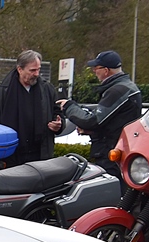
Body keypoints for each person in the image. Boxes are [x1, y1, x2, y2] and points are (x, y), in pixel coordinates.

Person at [56, 50, 142, 187]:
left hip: (112, 155)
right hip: (119, 150)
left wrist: (69, 107)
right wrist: (93, 131)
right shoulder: (125, 87)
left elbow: (92, 121)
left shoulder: (118, 90)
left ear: (106, 70)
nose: (94, 71)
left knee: (110, 193)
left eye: (96, 68)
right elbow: (114, 122)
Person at [0, 50, 63, 166]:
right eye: (32, 70)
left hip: (40, 156)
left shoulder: (48, 90)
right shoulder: (1, 93)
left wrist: (59, 125)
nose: (37, 74)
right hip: (11, 157)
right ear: (20, 69)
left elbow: (58, 113)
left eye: (38, 69)